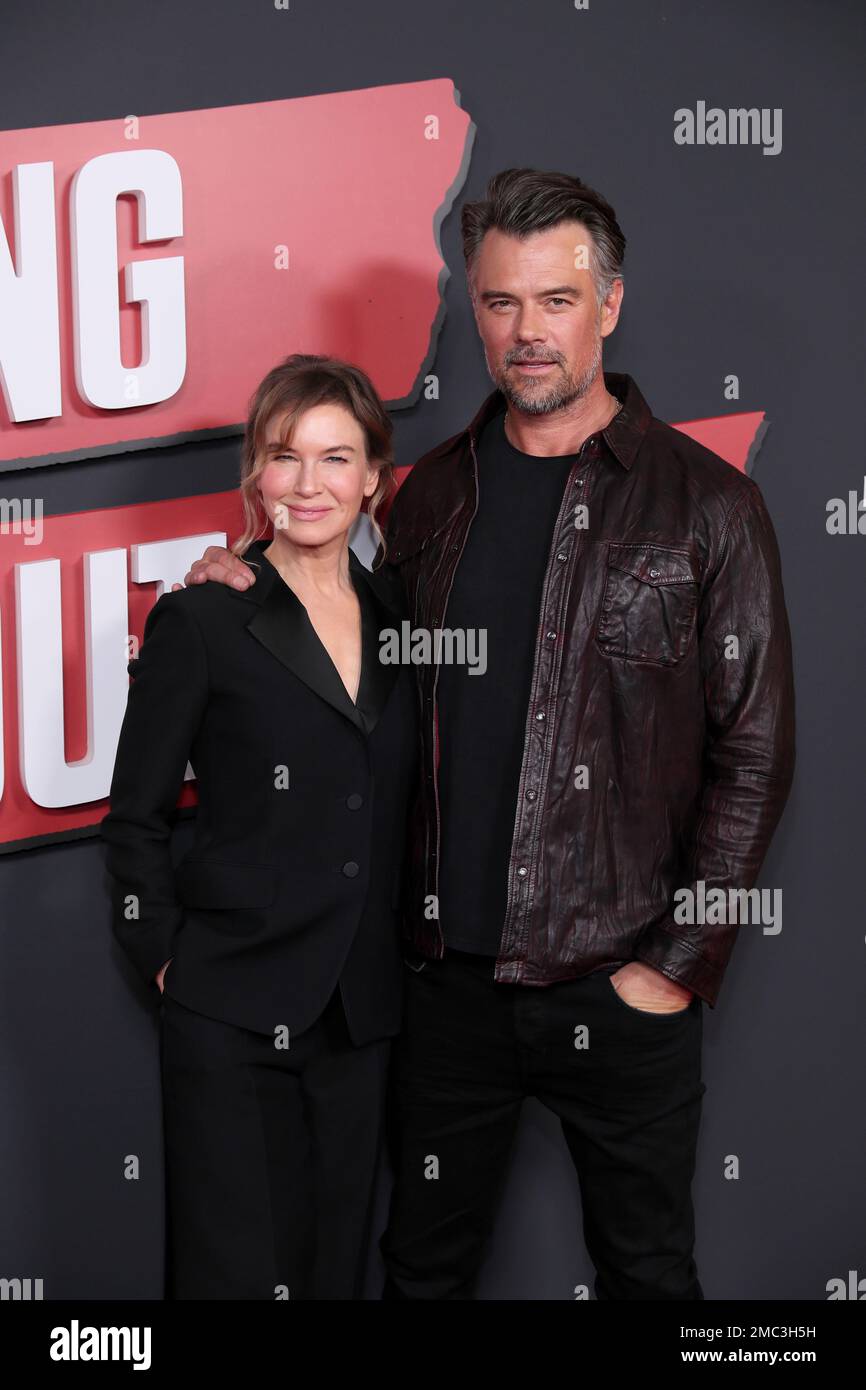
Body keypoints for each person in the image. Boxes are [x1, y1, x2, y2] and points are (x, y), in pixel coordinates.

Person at [177, 168, 796, 1300]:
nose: (525, 332)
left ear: (606, 305)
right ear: (474, 307)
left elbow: (754, 750)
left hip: (619, 982)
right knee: (419, 1270)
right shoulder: (427, 496)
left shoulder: (707, 505)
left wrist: (671, 968)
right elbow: (330, 632)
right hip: (443, 987)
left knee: (648, 1275)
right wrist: (235, 575)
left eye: (554, 300)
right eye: (501, 302)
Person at [102, 354, 418, 1300]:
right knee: (230, 1277)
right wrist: (169, 962)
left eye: (335, 458)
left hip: (359, 1020)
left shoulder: (405, 620)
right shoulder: (203, 617)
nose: (309, 484)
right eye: (285, 457)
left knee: (332, 1276)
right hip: (230, 1016)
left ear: (373, 478)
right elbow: (134, 821)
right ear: (256, 474)